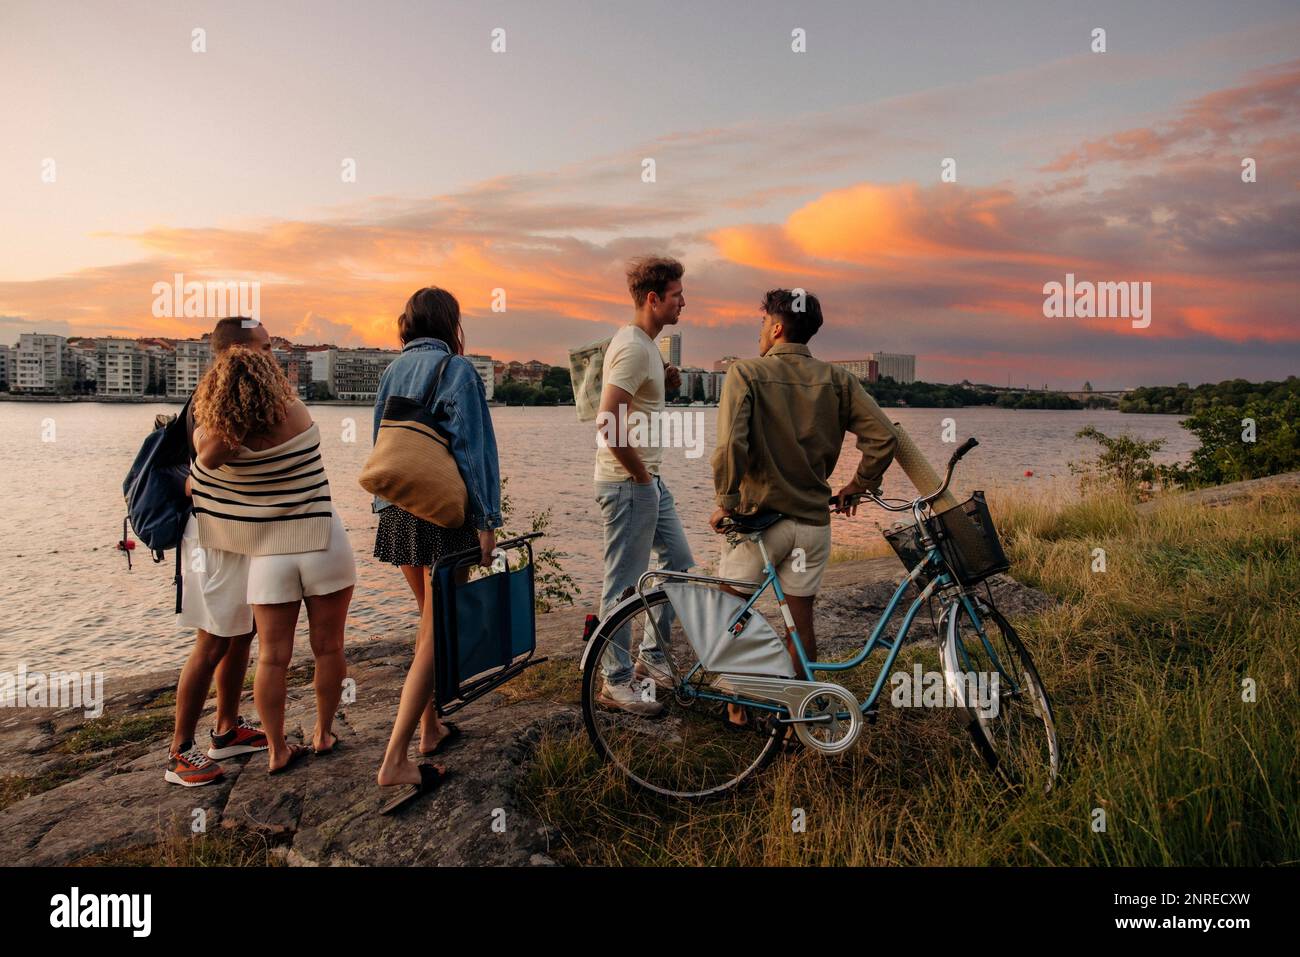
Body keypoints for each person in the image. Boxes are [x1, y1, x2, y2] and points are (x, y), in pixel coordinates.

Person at [709, 289, 897, 725]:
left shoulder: (746, 373)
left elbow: (729, 446)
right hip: (811, 524)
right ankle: (796, 718)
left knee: (730, 612)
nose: (760, 333)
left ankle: (738, 706)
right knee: (800, 623)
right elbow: (883, 438)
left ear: (775, 328)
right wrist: (857, 485)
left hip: (759, 521)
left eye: (761, 324)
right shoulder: (838, 380)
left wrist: (726, 502)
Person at [189, 345, 355, 774]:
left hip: (269, 552)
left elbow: (201, 470)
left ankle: (277, 749)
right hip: (322, 539)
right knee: (329, 647)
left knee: (272, 657)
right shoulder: (297, 412)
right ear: (271, 376)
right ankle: (322, 733)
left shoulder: (218, 441)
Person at [373, 287, 501, 810]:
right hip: (442, 517)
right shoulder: (458, 371)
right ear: (451, 324)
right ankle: (395, 759)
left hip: (398, 512)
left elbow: (382, 446)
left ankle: (429, 729)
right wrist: (487, 521)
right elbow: (474, 449)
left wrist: (382, 511)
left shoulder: (389, 371)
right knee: (436, 631)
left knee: (430, 618)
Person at [165, 318, 272, 787]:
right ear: (235, 352)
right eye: (264, 347)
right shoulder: (217, 398)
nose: (271, 355)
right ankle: (179, 752)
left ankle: (226, 729)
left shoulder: (236, 393)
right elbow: (211, 454)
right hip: (212, 539)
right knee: (211, 641)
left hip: (236, 535)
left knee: (241, 633)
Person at [592, 256, 694, 716]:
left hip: (649, 479)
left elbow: (637, 405)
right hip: (630, 482)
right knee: (624, 584)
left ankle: (651, 659)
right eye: (676, 295)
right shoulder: (634, 346)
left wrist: (664, 382)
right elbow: (608, 422)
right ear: (653, 299)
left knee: (680, 565)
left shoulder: (648, 346)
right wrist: (638, 478)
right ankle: (613, 680)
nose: (682, 302)